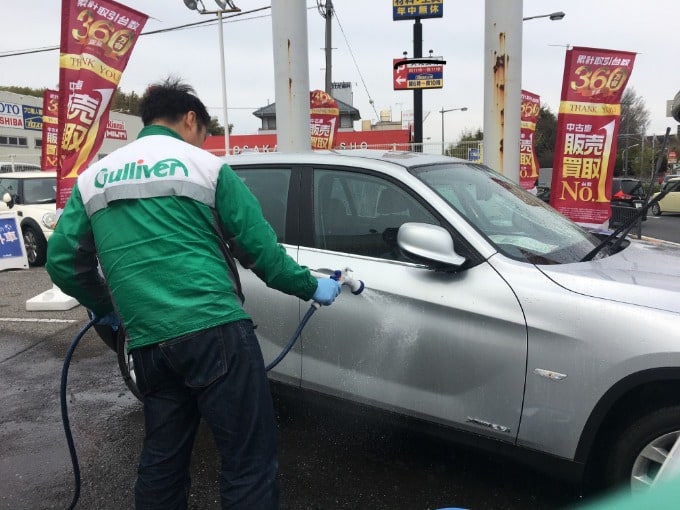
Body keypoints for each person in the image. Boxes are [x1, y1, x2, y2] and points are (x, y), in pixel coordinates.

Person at [46, 76, 342, 510]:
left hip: (148, 345)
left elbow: (62, 263)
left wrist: (107, 308)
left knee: (162, 462)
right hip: (216, 333)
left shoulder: (94, 179)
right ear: (189, 120)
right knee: (248, 463)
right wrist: (313, 285)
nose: (203, 142)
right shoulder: (207, 167)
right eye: (203, 133)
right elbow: (262, 253)